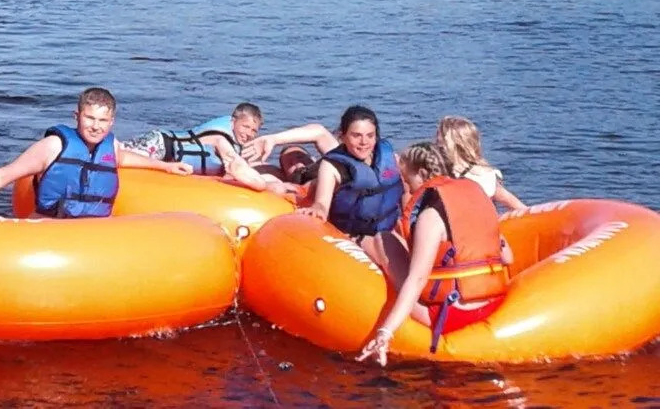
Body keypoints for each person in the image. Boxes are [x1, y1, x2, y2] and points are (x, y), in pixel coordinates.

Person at [0, 87, 191, 218]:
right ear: (77, 116)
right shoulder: (54, 146)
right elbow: (4, 176)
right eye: (89, 118)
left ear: (111, 122)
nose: (95, 126)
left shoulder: (111, 147)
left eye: (102, 120)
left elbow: (126, 158)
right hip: (50, 227)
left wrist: (166, 166)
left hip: (95, 235)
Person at [358, 142, 513, 367]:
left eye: (407, 180)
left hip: (453, 314)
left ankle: (358, 245)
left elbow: (417, 280)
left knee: (382, 239)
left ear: (422, 174)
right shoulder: (476, 197)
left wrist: (385, 333)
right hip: (491, 304)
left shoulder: (430, 217)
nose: (406, 188)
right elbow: (508, 258)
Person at [243, 105, 406, 276]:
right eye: (356, 135)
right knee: (276, 185)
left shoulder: (386, 157)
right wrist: (317, 209)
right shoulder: (329, 167)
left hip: (384, 227)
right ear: (343, 136)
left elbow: (319, 132)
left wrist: (273, 139)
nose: (364, 141)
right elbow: (321, 203)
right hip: (349, 226)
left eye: (370, 135)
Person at [122, 103, 293, 195]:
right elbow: (235, 168)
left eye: (254, 130)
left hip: (163, 151)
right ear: (233, 122)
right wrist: (263, 184)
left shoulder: (234, 144)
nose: (249, 134)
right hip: (159, 145)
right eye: (245, 127)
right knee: (116, 157)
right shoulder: (221, 140)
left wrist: (281, 182)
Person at [435, 116, 526, 212]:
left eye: (439, 143)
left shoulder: (483, 176)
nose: (436, 146)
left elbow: (519, 208)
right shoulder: (437, 171)